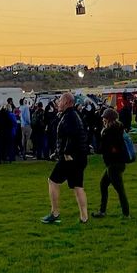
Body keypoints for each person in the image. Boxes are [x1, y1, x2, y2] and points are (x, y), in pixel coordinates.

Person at [42, 91, 89, 224]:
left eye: (60, 101)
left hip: (70, 157)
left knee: (53, 181)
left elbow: (71, 136)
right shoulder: (72, 115)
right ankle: (84, 216)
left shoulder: (69, 117)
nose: (58, 103)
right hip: (80, 156)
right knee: (78, 186)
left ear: (67, 102)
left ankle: (55, 212)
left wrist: (66, 153)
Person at [96, 109, 130, 218]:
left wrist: (101, 134)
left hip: (113, 164)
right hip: (119, 163)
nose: (102, 119)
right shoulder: (119, 129)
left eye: (104, 117)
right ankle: (102, 211)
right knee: (103, 184)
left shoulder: (109, 132)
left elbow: (102, 149)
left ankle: (126, 213)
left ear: (108, 119)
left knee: (120, 190)